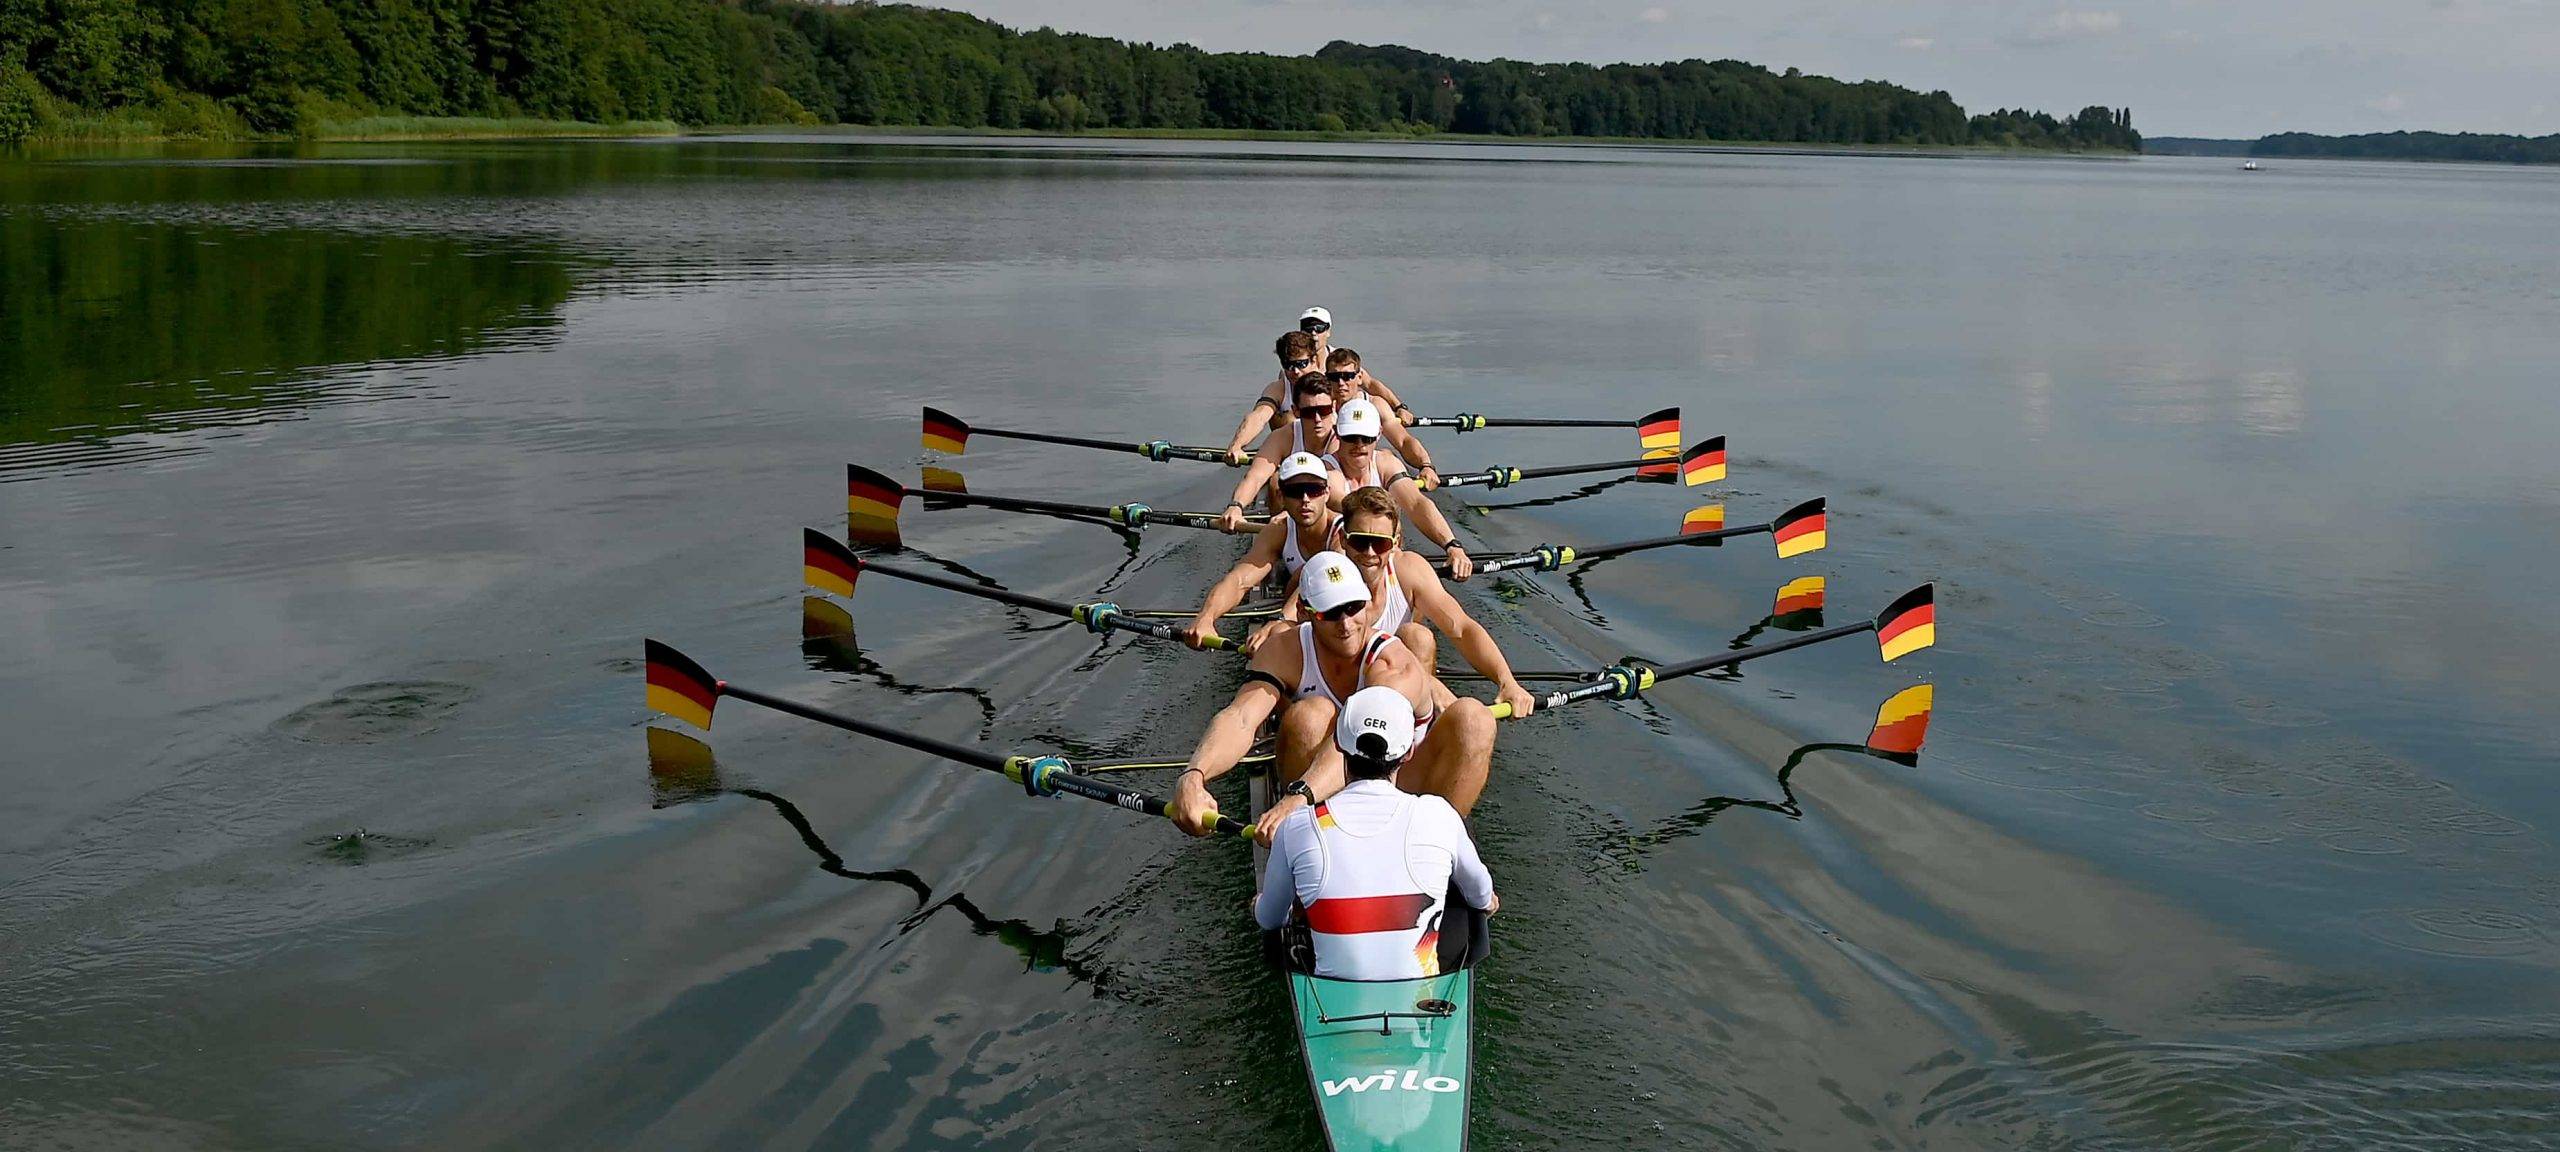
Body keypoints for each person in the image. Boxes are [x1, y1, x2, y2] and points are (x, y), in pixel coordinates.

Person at [1171, 552, 1497, 844]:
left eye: (1354, 608)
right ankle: (1309, 843)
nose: (1346, 624)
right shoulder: (1283, 651)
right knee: (1309, 716)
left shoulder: (1392, 664)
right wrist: (1193, 776)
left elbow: (1353, 740)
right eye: (1330, 613)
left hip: (1401, 782)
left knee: (1474, 717)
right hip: (1329, 789)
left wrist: (1296, 798)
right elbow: (1241, 718)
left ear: (1368, 603)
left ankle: (1443, 847)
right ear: (1304, 612)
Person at [1254, 685, 1497, 980]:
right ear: (1408, 752)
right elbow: (1483, 895)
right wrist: (1485, 901)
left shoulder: (1299, 825)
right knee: (1467, 896)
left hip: (1333, 993)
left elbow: (1269, 919)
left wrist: (1259, 905)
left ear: (1340, 746)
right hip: (1419, 988)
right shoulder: (1439, 813)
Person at [1329, 486, 1531, 718]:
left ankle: (1421, 721)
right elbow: (1285, 630)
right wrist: (1426, 679)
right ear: (1343, 540)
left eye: (1380, 543)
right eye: (1361, 542)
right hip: (1345, 685)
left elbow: (1462, 629)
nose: (1370, 553)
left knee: (1417, 636)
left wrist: (1507, 681)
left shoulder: (1409, 569)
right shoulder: (1326, 576)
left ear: (1395, 542)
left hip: (1400, 683)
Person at [1182, 452, 1341, 654]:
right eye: (1295, 491)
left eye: (1314, 490)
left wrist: (1279, 620)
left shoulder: (1342, 534)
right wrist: (1206, 616)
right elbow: (1239, 580)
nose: (1305, 499)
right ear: (1281, 496)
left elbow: (1318, 579)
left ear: (1327, 492)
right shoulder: (1279, 529)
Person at [1323, 398, 1471, 580]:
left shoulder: (1386, 463)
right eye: (1351, 437)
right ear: (1337, 434)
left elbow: (1416, 504)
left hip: (1378, 556)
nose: (1359, 445)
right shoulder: (1327, 470)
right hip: (1341, 555)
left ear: (1378, 435)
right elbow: (1349, 505)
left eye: (1366, 438)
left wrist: (1452, 546)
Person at [1220, 373, 1336, 525]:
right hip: (1293, 507)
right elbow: (1255, 477)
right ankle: (1279, 532)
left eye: (1324, 410)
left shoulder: (1345, 438)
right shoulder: (1283, 437)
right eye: (1308, 412)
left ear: (1333, 407)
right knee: (1275, 482)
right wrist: (1236, 505)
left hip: (1328, 508)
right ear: (1296, 411)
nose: (1317, 419)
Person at [1221, 329, 1325, 462]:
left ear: (1314, 360)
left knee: (1292, 419)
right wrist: (1236, 445)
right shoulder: (1278, 388)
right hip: (1290, 453)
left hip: (1326, 448)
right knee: (1289, 420)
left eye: (1301, 364)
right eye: (1288, 365)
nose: (1296, 371)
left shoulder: (1332, 384)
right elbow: (1258, 417)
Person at [1323, 347, 1422, 465]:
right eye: (1334, 377)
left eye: (1347, 376)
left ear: (1359, 378)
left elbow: (1403, 441)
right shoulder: (1318, 408)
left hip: (1363, 466)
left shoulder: (1376, 405)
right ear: (1327, 378)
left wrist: (1425, 465)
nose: (1340, 383)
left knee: (1388, 455)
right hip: (1330, 468)